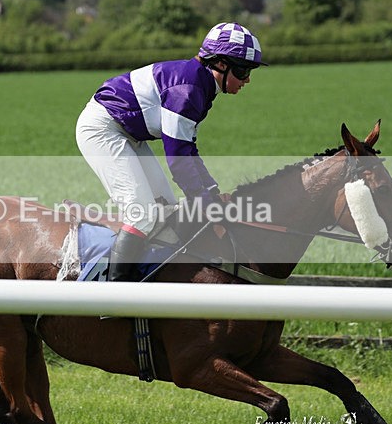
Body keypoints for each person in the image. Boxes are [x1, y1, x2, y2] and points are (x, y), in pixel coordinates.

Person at [75, 22, 268, 282]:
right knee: (143, 215)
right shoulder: (188, 90)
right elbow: (178, 160)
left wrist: (210, 191)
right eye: (243, 70)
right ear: (220, 64)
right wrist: (206, 203)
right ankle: (115, 291)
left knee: (165, 211)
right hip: (102, 129)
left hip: (128, 134)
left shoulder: (201, 84)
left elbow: (188, 149)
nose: (247, 79)